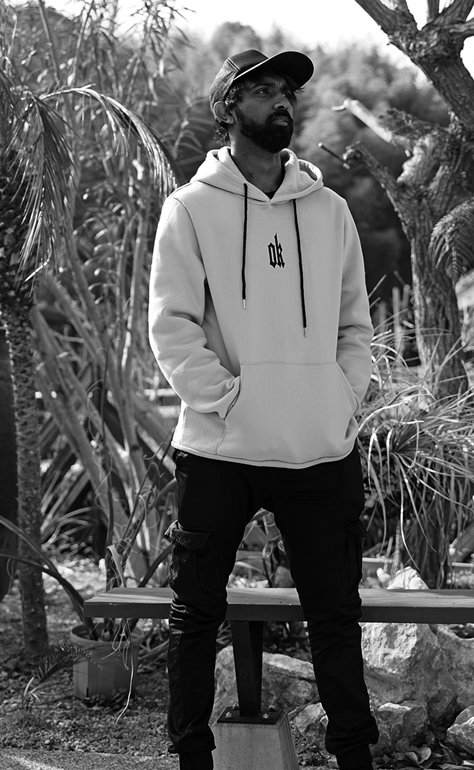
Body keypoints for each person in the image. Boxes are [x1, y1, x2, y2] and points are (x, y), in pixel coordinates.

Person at [148, 49, 379, 770]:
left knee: (335, 619)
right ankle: (192, 758)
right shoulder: (191, 209)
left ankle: (355, 760)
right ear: (228, 107)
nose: (282, 101)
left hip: (318, 445)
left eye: (288, 91)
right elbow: (172, 325)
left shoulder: (330, 211)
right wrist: (226, 399)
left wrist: (340, 398)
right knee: (195, 616)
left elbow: (354, 326)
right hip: (221, 447)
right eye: (264, 90)